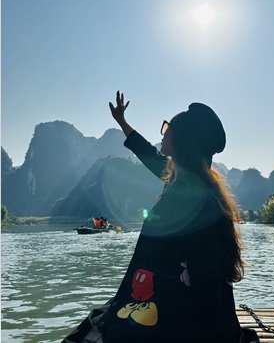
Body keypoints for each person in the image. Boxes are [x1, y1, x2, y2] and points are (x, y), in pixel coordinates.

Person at [63, 91, 258, 343]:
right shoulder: (182, 180)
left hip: (178, 312)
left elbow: (203, 273)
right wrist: (122, 122)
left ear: (183, 139)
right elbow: (146, 153)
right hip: (167, 299)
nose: (163, 131)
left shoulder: (194, 194)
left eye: (168, 126)